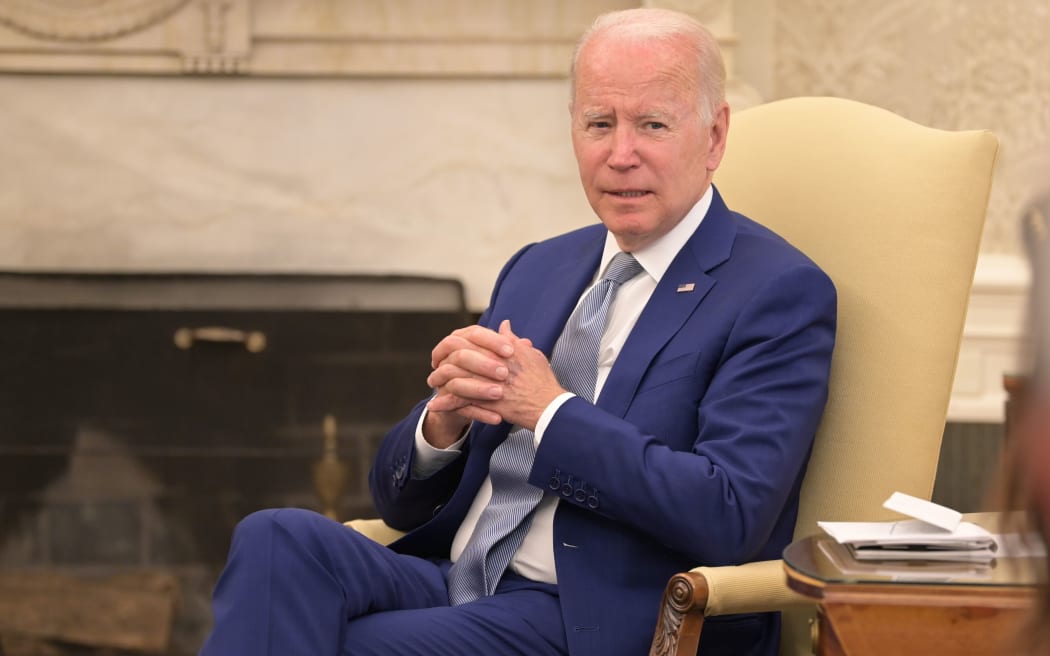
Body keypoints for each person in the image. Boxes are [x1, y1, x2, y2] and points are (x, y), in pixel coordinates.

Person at [200, 7, 836, 656]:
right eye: (598, 124)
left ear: (715, 135)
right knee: (274, 539)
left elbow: (727, 514)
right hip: (460, 577)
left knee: (333, 641)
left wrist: (548, 411)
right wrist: (440, 428)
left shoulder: (775, 292)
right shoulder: (542, 265)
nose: (621, 155)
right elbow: (397, 505)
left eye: (652, 124)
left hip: (593, 614)